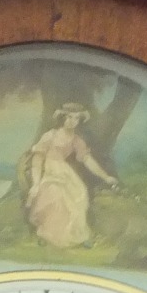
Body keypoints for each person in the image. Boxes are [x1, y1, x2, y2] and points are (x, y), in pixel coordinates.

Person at [22, 104, 118, 248]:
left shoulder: (76, 140)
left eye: (77, 118)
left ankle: (78, 236)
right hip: (49, 173)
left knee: (80, 193)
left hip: (65, 172)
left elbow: (87, 160)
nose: (73, 121)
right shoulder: (50, 135)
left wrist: (106, 177)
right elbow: (38, 159)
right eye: (69, 117)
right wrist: (36, 183)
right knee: (55, 195)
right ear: (63, 118)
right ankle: (48, 235)